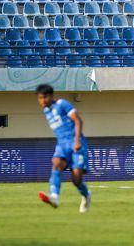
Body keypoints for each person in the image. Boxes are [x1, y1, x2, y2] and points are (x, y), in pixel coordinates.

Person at [35, 84, 92, 212]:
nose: (42, 100)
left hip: (76, 143)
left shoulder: (62, 104)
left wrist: (77, 141)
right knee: (56, 163)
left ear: (51, 96)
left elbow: (78, 121)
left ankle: (87, 195)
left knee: (76, 179)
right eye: (40, 98)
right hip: (62, 145)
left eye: (45, 97)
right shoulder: (46, 111)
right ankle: (54, 196)